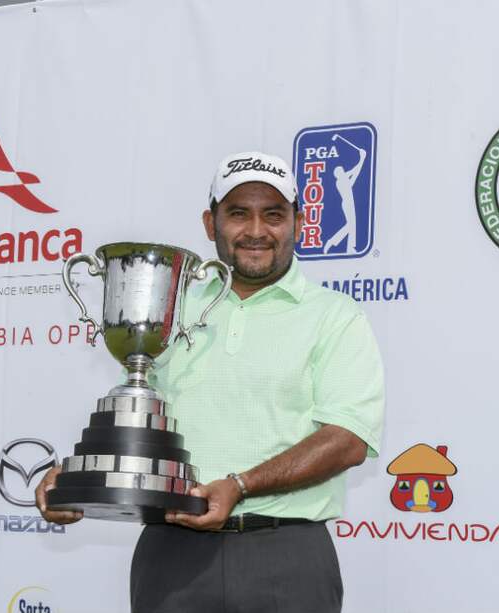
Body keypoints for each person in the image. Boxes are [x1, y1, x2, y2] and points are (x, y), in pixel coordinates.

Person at [36, 151, 384, 613]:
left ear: (298, 222)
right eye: (238, 213)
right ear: (209, 223)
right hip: (172, 554)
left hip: (287, 557)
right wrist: (78, 480)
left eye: (274, 215)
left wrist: (239, 485)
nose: (256, 231)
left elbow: (347, 440)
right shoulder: (167, 306)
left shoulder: (335, 317)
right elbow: (139, 423)